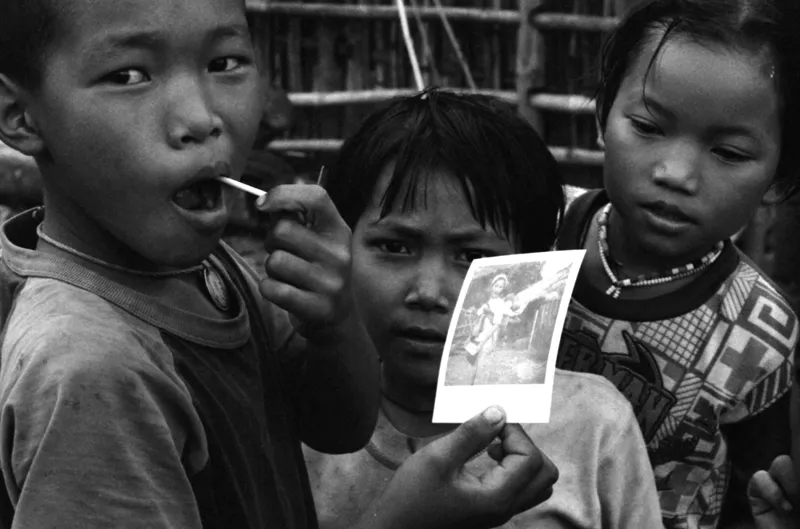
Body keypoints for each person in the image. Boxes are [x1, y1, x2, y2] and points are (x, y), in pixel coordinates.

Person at [0, 0, 557, 527]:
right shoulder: (93, 369)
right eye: (129, 76)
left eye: (224, 63)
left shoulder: (206, 270)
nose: (202, 118)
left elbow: (335, 425)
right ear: (20, 116)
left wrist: (338, 323)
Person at [304, 88, 663, 528]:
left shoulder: (595, 427)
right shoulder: (301, 425)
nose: (429, 291)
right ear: (341, 245)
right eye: (395, 246)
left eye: (473, 257)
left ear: (529, 267)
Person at [553, 0, 800, 527]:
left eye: (729, 153)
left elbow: (754, 498)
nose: (676, 173)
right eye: (647, 125)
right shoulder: (534, 233)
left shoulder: (759, 334)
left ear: (779, 173)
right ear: (603, 115)